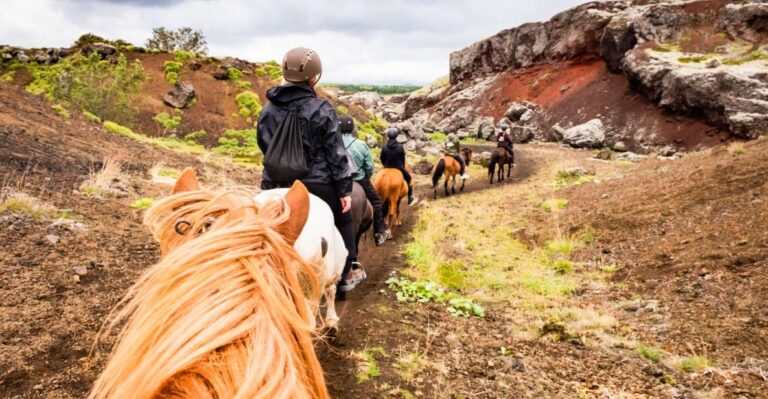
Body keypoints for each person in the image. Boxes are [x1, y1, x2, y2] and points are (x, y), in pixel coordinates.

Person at [256, 47, 364, 296]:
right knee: (344, 218)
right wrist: (344, 190)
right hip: (317, 183)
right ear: (314, 77)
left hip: (273, 184)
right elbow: (336, 154)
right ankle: (347, 272)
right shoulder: (322, 109)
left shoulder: (267, 111)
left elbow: (264, 146)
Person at [338, 115, 390, 246]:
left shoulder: (332, 143)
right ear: (352, 129)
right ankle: (379, 233)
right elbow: (370, 166)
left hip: (338, 182)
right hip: (359, 179)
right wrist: (365, 176)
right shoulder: (361, 145)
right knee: (377, 203)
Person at [380, 127, 418, 206]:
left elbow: (382, 158)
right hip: (399, 167)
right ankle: (410, 198)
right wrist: (402, 167)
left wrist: (385, 165)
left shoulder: (384, 147)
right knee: (409, 179)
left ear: (388, 136)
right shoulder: (400, 147)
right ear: (396, 136)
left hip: (386, 167)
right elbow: (402, 159)